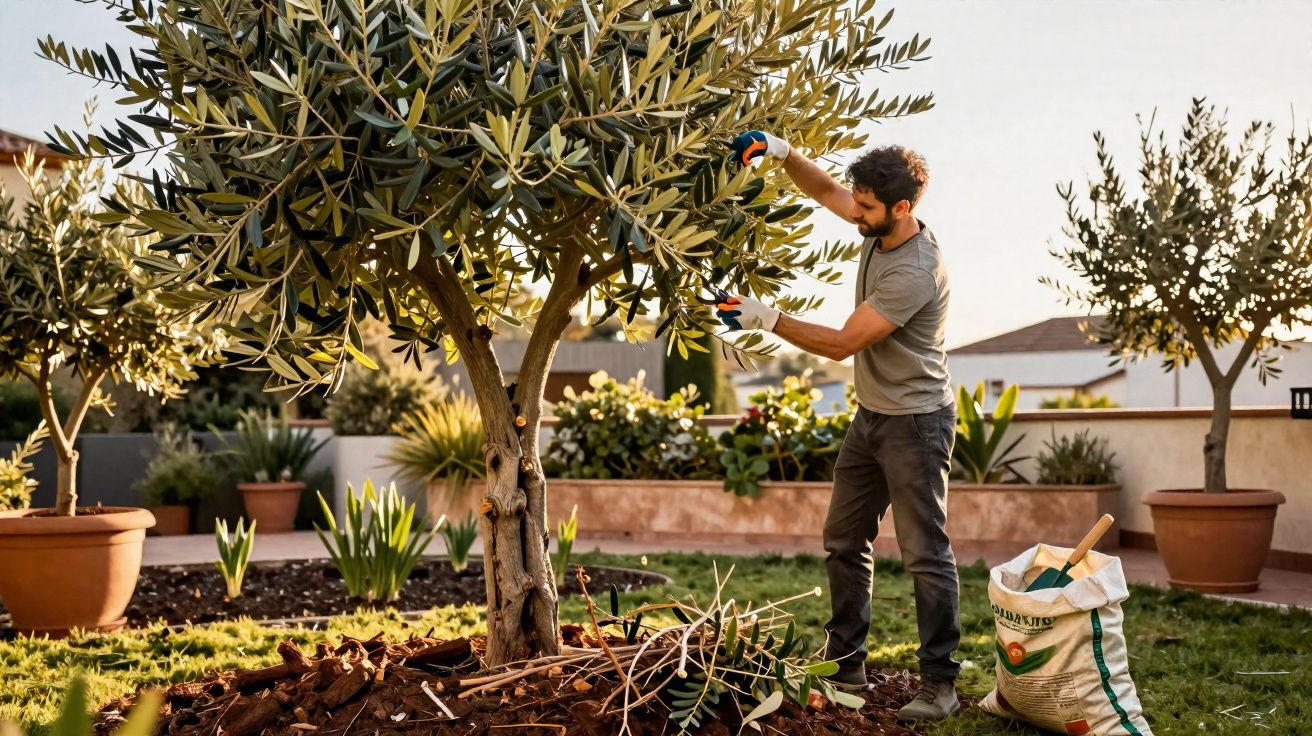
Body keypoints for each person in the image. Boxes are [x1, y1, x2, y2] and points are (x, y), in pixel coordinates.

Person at [715, 130, 960, 722]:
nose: (857, 213)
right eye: (860, 202)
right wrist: (780, 150)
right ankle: (846, 661)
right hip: (871, 417)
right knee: (844, 540)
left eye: (868, 208)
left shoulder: (916, 272)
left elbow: (844, 343)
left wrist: (764, 316)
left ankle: (940, 684)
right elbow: (825, 188)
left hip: (917, 424)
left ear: (902, 209)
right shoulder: (875, 217)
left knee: (925, 553)